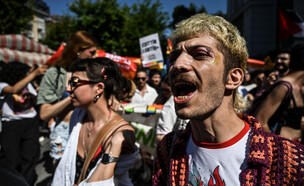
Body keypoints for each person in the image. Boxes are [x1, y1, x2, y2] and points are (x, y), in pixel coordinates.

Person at [152, 13, 304, 185]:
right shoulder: (169, 149)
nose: (178, 64)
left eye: (200, 54)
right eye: (174, 57)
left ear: (233, 78)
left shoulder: (290, 162)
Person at [52, 57, 138, 185]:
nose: (68, 89)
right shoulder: (78, 117)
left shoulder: (120, 133)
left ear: (98, 88)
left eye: (75, 82)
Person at [37, 30, 97, 170]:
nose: (95, 57)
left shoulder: (95, 72)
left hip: (90, 130)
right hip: (64, 131)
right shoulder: (55, 73)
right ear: (78, 51)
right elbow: (44, 114)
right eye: (91, 52)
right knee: (63, 175)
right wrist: (72, 98)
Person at [0, 61, 47, 185]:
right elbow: (14, 89)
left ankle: (26, 182)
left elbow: (36, 99)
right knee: (12, 159)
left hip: (30, 122)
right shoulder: (2, 85)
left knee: (30, 156)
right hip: (12, 125)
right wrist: (34, 74)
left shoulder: (29, 84)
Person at [255, 44, 304, 142]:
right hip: (283, 147)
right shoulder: (283, 87)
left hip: (296, 145)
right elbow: (260, 120)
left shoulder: (299, 87)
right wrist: (276, 146)